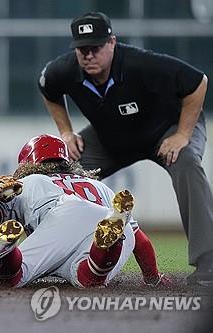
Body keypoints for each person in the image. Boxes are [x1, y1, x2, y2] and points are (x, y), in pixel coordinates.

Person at [38, 12, 213, 286]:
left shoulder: (141, 64)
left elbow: (197, 82)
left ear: (112, 43)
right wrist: (66, 132)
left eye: (96, 47)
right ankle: (42, 257)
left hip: (166, 131)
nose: (88, 55)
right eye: (82, 49)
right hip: (112, 137)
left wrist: (182, 134)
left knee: (189, 165)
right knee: (62, 173)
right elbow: (48, 89)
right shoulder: (64, 70)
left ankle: (208, 266)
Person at [0, 134, 169, 288]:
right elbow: (141, 243)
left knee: (10, 279)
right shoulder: (99, 185)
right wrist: (153, 278)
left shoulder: (27, 182)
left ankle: (7, 250)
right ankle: (107, 243)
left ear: (26, 164)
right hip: (110, 220)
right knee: (88, 278)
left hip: (64, 216)